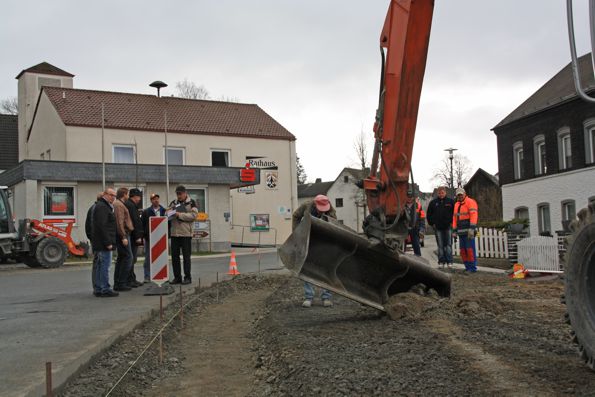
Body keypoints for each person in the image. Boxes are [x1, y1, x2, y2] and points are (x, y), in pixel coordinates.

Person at [292, 194, 336, 308]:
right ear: (315, 204)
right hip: (308, 237)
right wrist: (297, 232)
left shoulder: (331, 211)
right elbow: (296, 216)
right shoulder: (306, 206)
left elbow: (334, 226)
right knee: (307, 266)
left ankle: (326, 296)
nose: (322, 212)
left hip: (324, 240)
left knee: (326, 268)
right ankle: (309, 296)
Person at [91, 188, 119, 297]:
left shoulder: (102, 206)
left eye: (114, 196)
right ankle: (105, 288)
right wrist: (108, 242)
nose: (113, 197)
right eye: (111, 195)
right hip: (103, 244)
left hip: (100, 243)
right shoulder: (102, 207)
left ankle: (98, 288)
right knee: (104, 266)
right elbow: (102, 226)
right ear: (105, 195)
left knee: (99, 266)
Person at [169, 185, 198, 285]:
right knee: (174, 257)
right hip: (175, 234)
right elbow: (168, 212)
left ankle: (187, 277)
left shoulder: (191, 203)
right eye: (177, 194)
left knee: (186, 257)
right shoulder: (174, 203)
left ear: (185, 193)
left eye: (180, 194)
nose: (179, 196)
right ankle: (177, 277)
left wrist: (179, 215)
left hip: (186, 233)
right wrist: (168, 213)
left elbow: (194, 216)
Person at [426, 186, 455, 268]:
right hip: (438, 228)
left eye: (442, 193)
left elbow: (455, 214)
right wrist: (432, 224)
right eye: (439, 193)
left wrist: (453, 223)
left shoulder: (451, 202)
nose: (441, 194)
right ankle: (441, 262)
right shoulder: (433, 203)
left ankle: (449, 262)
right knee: (440, 246)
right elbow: (428, 215)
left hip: (448, 227)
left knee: (448, 245)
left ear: (445, 193)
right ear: (437, 193)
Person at [141, 193, 166, 283]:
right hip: (149, 238)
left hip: (161, 238)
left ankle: (161, 275)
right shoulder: (146, 212)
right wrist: (144, 236)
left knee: (161, 256)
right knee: (148, 257)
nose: (156, 200)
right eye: (154, 199)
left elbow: (168, 223)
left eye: (157, 198)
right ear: (151, 201)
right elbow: (142, 225)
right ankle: (147, 276)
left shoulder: (164, 211)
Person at [453, 187, 479, 272]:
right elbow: (455, 219)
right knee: (463, 251)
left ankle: (472, 268)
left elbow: (473, 215)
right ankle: (467, 267)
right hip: (461, 232)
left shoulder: (471, 202)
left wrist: (472, 229)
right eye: (458, 195)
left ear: (464, 194)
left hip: (469, 231)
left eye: (461, 194)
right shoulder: (456, 204)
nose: (460, 196)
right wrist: (454, 231)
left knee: (470, 250)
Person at [113, 187, 134, 291]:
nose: (128, 196)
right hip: (123, 234)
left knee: (122, 258)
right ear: (124, 194)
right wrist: (123, 236)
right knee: (128, 258)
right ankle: (121, 282)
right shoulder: (119, 205)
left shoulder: (118, 204)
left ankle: (118, 282)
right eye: (127, 194)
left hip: (123, 234)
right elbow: (120, 221)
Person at [125, 188, 144, 287]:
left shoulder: (130, 205)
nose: (140, 199)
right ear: (135, 196)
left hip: (131, 236)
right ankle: (130, 280)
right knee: (132, 258)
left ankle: (132, 278)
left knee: (132, 258)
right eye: (139, 197)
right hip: (133, 237)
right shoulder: (131, 206)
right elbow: (135, 221)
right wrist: (138, 236)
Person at [85, 193, 103, 295]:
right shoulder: (97, 209)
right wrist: (94, 238)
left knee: (98, 263)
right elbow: (93, 225)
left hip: (94, 239)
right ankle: (97, 287)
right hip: (97, 240)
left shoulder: (93, 208)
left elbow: (88, 226)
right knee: (98, 263)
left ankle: (97, 286)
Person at [404, 191, 426, 257]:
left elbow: (422, 218)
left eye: (411, 197)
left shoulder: (418, 206)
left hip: (415, 228)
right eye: (408, 197)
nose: (409, 198)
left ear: (413, 197)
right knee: (401, 245)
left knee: (416, 244)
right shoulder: (402, 205)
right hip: (404, 228)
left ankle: (418, 257)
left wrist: (422, 229)